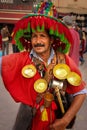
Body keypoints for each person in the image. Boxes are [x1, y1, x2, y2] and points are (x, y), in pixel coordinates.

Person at [0, 1, 87, 130]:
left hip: (56, 122)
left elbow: (81, 91)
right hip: (28, 120)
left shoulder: (64, 60)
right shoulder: (21, 59)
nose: (38, 41)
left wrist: (65, 120)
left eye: (42, 36)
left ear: (51, 40)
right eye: (34, 36)